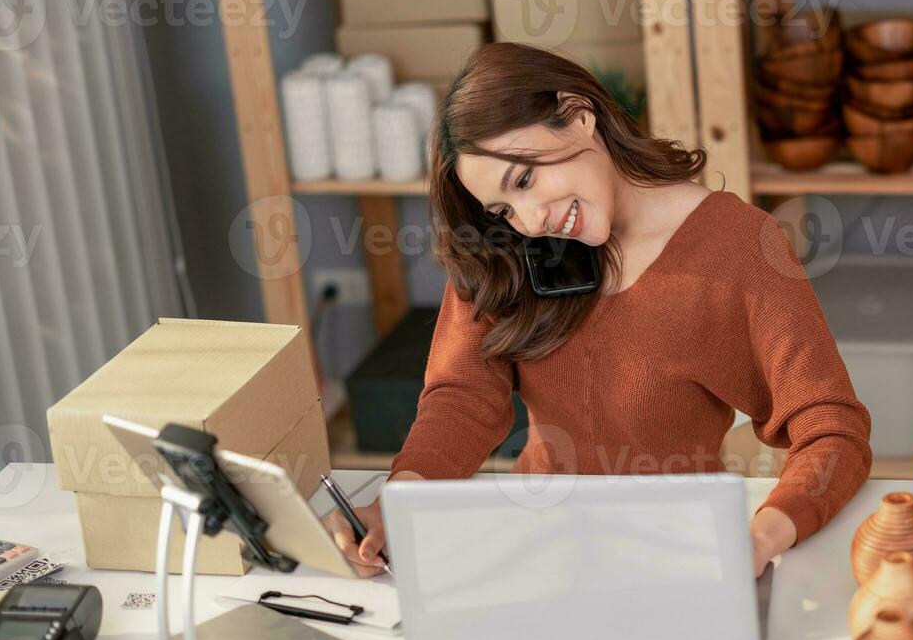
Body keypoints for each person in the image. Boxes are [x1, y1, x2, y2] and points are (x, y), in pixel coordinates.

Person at [326, 43, 871, 578]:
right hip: (540, 543)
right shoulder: (509, 251)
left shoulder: (740, 246)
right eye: (503, 208)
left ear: (579, 114)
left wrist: (761, 536)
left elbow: (830, 430)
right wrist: (399, 505)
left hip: (682, 550)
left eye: (524, 179)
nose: (530, 220)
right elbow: (461, 399)